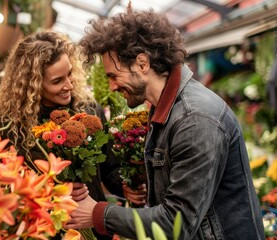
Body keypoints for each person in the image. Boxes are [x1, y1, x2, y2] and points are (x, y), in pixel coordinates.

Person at [66, 6, 265, 240]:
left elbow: (176, 222)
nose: (111, 87)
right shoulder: (167, 110)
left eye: (113, 76)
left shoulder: (195, 119)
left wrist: (98, 214)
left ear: (142, 63)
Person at [0, 30, 138, 239]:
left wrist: (126, 186)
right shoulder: (10, 126)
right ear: (32, 84)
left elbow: (109, 168)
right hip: (44, 231)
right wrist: (53, 193)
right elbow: (5, 187)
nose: (68, 85)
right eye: (57, 81)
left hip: (94, 231)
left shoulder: (88, 110)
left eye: (69, 74)